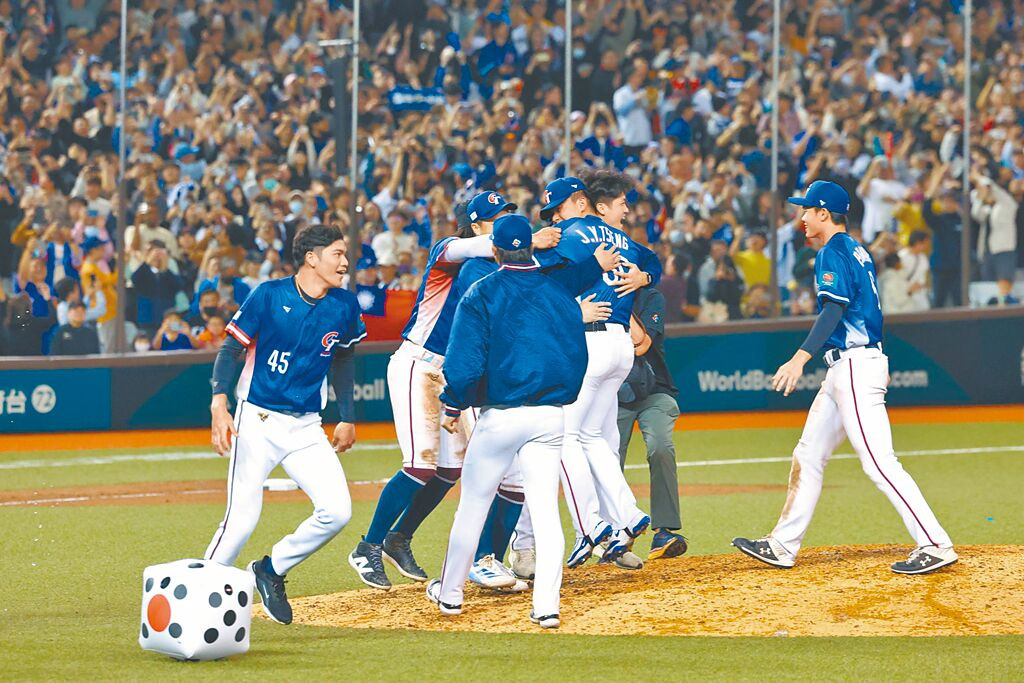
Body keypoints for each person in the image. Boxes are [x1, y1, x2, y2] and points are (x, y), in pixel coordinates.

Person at [732, 180, 957, 575]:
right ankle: (782, 545)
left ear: (824, 213)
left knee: (879, 462)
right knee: (808, 454)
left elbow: (833, 310)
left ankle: (935, 544)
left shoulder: (833, 251)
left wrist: (800, 357)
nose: (802, 217)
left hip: (855, 365)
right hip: (847, 367)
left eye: (807, 210)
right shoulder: (854, 248)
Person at [348, 191, 560, 591]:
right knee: (420, 465)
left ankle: (399, 538)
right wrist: (529, 240)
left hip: (454, 374)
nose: (504, 222)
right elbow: (468, 249)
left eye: (508, 216)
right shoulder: (449, 252)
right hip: (419, 363)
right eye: (496, 217)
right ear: (476, 224)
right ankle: (368, 546)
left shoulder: (499, 267)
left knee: (449, 471)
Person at [425, 214, 588, 630]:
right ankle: (547, 606)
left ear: (495, 250)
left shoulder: (482, 291)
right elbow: (577, 355)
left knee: (473, 505)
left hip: (501, 415)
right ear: (531, 247)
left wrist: (453, 404)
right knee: (546, 512)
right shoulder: (559, 292)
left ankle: (450, 595)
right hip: (550, 415)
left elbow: (465, 362)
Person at [204, 224, 367, 625]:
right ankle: (199, 600)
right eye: (337, 254)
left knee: (337, 511)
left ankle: (270, 569)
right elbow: (231, 348)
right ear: (311, 257)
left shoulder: (344, 305)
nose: (345, 262)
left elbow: (344, 359)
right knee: (241, 522)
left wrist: (347, 416)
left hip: (307, 426)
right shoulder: (269, 295)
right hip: (258, 421)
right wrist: (219, 402)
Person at [535, 175, 660, 567]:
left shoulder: (570, 234)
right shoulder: (621, 238)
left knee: (565, 436)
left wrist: (537, 245)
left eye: (557, 209)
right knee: (595, 437)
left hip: (588, 341)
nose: (554, 219)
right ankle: (628, 515)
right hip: (620, 346)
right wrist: (644, 277)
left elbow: (540, 280)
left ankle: (591, 526)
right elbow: (653, 262)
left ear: (579, 202)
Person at [578, 170, 689, 564]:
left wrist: (642, 280)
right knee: (606, 454)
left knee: (659, 446)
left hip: (653, 389)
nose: (623, 262)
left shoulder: (650, 294)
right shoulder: (591, 282)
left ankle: (664, 530)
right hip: (616, 392)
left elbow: (642, 344)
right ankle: (613, 536)